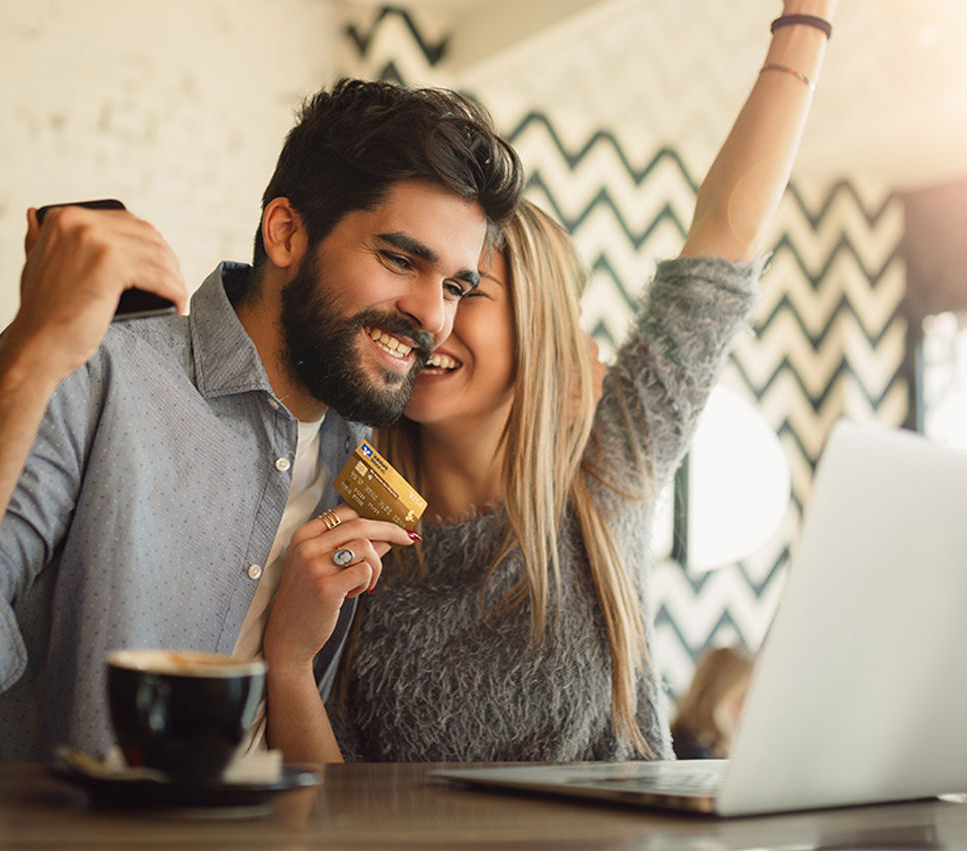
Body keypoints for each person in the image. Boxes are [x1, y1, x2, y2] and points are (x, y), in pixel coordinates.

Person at [0, 78, 524, 762]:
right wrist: (31, 351)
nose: (433, 316)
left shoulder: (362, 459)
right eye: (400, 258)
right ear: (285, 234)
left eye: (456, 287)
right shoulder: (90, 373)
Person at [264, 0, 836, 763]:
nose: (430, 318)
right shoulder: (350, 508)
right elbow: (331, 811)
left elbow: (723, 241)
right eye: (415, 272)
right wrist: (289, 660)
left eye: (468, 292)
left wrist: (806, 23)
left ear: (537, 329)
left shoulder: (607, 467)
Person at [671, 646, 756, 759]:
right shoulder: (682, 753)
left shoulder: (720, 747)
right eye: (741, 699)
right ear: (713, 695)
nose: (748, 709)